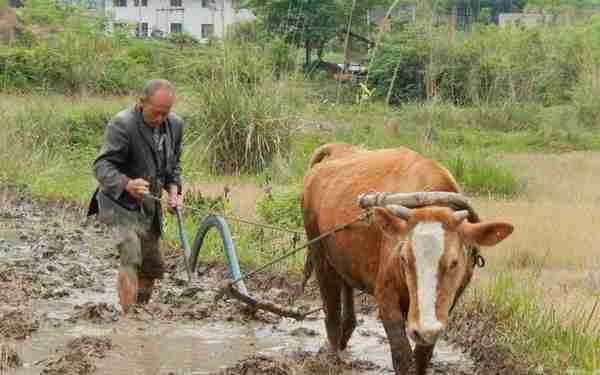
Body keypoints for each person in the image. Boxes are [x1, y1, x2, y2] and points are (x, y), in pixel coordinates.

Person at [87, 79, 184, 313]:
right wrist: (127, 183)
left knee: (152, 265)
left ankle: (140, 312)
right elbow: (102, 166)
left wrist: (174, 192)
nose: (160, 119)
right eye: (156, 113)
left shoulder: (175, 125)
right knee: (131, 254)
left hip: (149, 203)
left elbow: (174, 167)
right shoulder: (122, 125)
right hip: (118, 201)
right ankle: (128, 321)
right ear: (141, 103)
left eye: (166, 113)